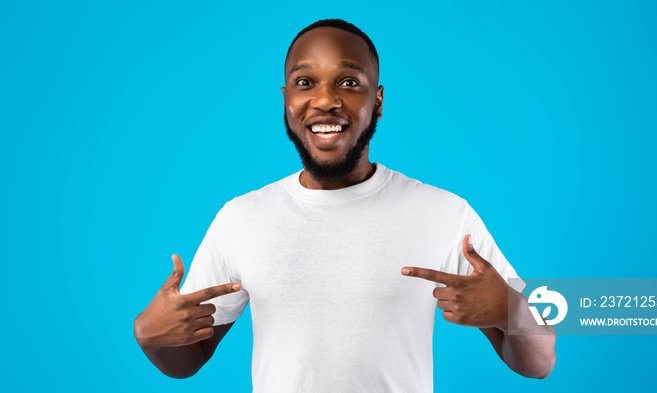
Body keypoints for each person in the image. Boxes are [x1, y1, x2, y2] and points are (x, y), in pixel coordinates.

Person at [133, 19, 556, 392]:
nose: (325, 100)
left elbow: (538, 364)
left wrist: (511, 308)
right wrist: (149, 335)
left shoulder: (444, 214)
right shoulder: (241, 218)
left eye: (349, 82)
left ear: (379, 101)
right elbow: (189, 358)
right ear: (286, 100)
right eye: (305, 83)